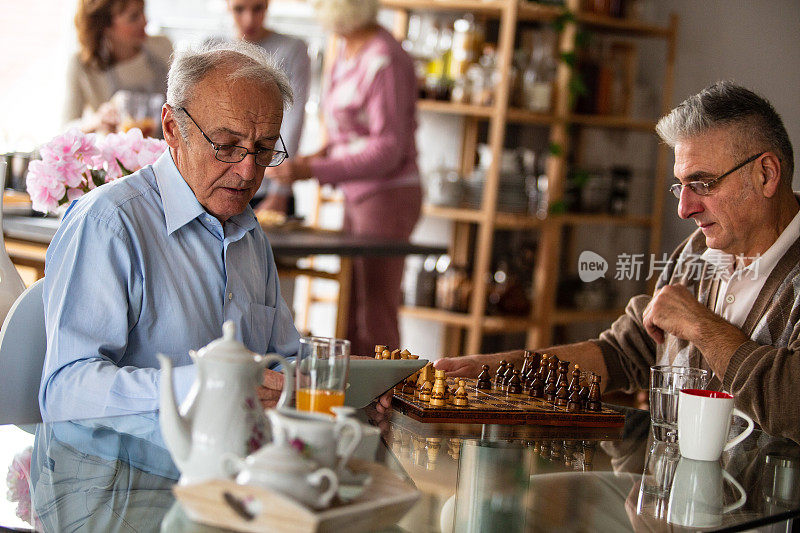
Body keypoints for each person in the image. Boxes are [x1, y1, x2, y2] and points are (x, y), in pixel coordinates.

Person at [434, 81, 800, 443]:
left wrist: (700, 325)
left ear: (766, 174)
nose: (684, 208)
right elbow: (624, 353)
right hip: (673, 495)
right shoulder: (696, 252)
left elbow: (792, 403)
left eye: (703, 184)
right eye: (681, 186)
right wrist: (495, 370)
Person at [40, 39, 299, 422]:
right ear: (172, 129)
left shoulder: (249, 233)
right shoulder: (109, 225)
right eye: (227, 146)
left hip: (233, 471)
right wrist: (205, 386)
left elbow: (283, 360)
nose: (248, 173)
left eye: (262, 150)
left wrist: (343, 384)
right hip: (128, 474)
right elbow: (67, 392)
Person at [267, 0, 422, 356]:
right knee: (351, 309)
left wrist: (310, 170)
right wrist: (310, 159)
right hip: (358, 194)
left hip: (389, 195)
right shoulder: (347, 48)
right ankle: (354, 399)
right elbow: (343, 137)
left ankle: (384, 400)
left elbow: (388, 149)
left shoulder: (385, 58)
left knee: (375, 311)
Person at [222, 0, 311, 211]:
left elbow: (292, 121)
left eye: (258, 8)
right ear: (227, 5)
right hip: (222, 184)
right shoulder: (213, 47)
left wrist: (280, 192)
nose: (249, 19)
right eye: (239, 9)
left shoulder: (292, 49)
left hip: (268, 186)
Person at [65, 0, 172, 134]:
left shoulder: (162, 46)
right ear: (105, 25)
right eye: (134, 17)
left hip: (167, 150)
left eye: (142, 12)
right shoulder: (82, 65)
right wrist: (96, 120)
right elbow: (66, 129)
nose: (145, 21)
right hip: (118, 154)